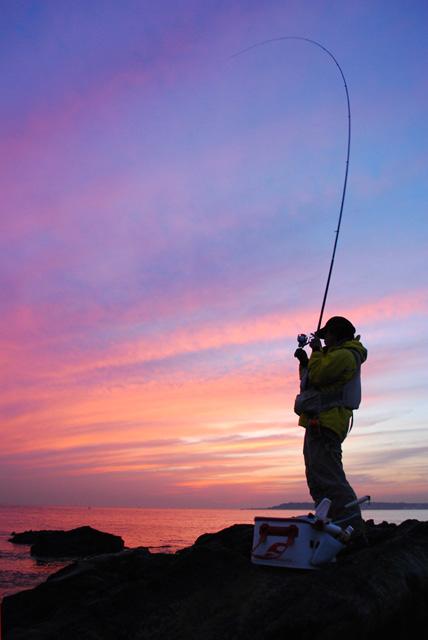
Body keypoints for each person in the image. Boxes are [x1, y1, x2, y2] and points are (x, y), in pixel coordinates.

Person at [294, 316, 367, 532]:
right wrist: (304, 362)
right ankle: (330, 523)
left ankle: (351, 527)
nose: (324, 341)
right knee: (317, 477)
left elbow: (318, 376)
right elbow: (311, 382)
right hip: (317, 422)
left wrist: (315, 352)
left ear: (337, 334)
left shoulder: (345, 356)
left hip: (327, 423)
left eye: (327, 336)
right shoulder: (333, 356)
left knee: (330, 477)